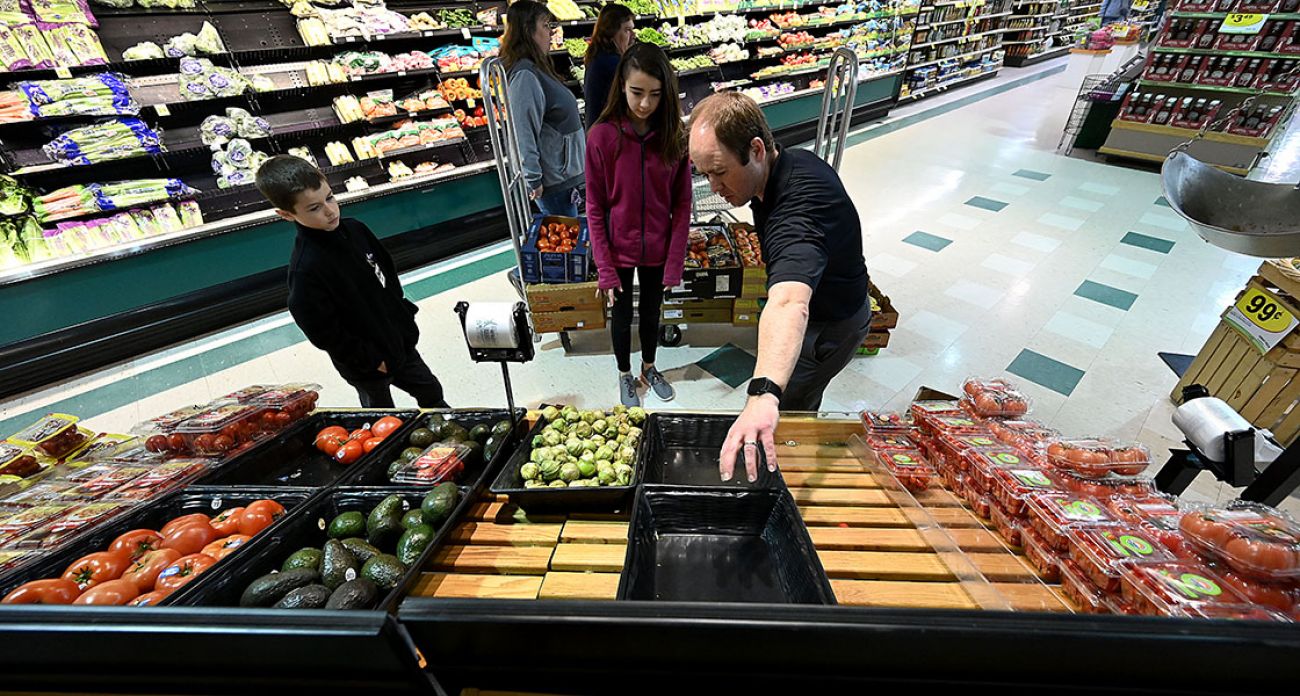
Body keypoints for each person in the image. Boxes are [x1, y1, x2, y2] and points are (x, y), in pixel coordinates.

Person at [687, 92, 872, 483]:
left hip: (829, 326)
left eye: (718, 171)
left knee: (784, 410)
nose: (713, 186)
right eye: (704, 173)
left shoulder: (798, 204)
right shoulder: (786, 164)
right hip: (834, 306)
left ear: (755, 149)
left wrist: (762, 393)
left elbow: (789, 301)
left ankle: (783, 478)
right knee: (798, 400)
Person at [255, 155, 449, 409]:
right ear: (286, 214)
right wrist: (368, 360)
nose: (329, 210)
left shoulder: (356, 230)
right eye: (314, 208)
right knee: (381, 414)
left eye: (330, 197)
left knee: (430, 390)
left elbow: (387, 274)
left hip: (397, 341)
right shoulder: (307, 267)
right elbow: (321, 329)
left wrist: (404, 317)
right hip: (365, 362)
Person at [586, 44, 692, 407]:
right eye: (637, 92)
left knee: (651, 311)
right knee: (621, 313)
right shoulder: (601, 137)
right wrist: (603, 266)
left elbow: (682, 203)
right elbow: (595, 205)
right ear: (622, 86)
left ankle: (650, 366)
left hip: (658, 247)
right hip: (617, 246)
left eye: (655, 95)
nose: (645, 103)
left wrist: (675, 258)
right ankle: (624, 374)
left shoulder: (675, 138)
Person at [502, 0, 585, 217]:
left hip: (562, 177)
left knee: (572, 243)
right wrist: (533, 179)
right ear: (529, 31)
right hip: (552, 183)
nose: (551, 32)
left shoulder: (537, 68)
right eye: (546, 26)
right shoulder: (524, 76)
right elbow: (523, 132)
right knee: (564, 245)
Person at [582, 3, 635, 131]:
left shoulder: (597, 56)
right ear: (611, 32)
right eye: (627, 30)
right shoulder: (612, 64)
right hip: (609, 136)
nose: (633, 36)